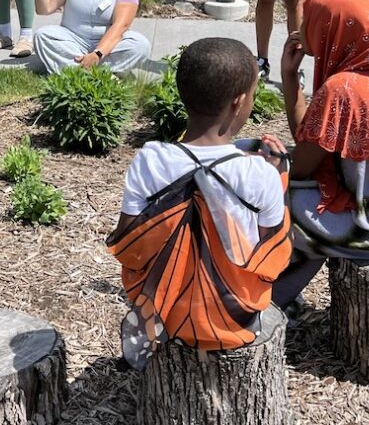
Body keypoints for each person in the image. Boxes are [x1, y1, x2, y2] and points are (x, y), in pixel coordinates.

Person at [107, 38, 292, 368]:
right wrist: (278, 176)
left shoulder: (149, 160)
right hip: (232, 318)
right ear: (239, 103)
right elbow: (269, 250)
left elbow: (127, 241)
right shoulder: (259, 174)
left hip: (161, 308)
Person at [273, 0, 369, 309]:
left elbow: (303, 166)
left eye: (310, 19)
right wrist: (291, 78)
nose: (302, 27)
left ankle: (254, 303)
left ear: (330, 29)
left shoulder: (343, 88)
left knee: (264, 200)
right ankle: (280, 298)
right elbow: (313, 142)